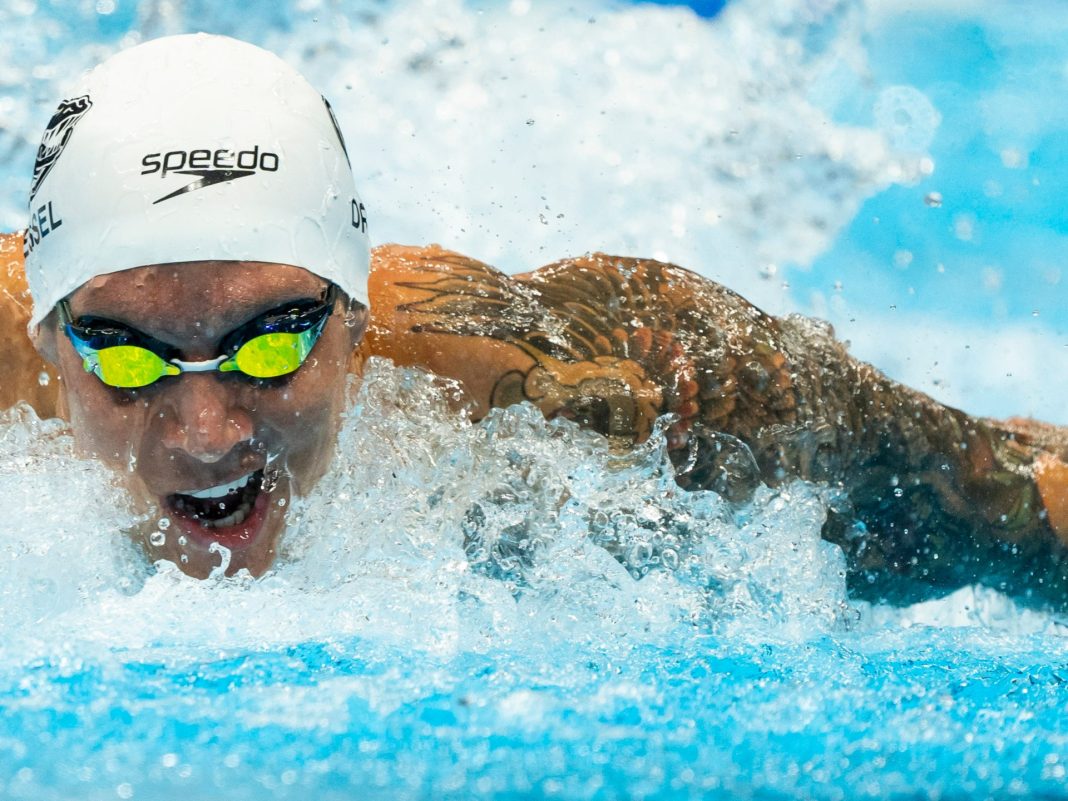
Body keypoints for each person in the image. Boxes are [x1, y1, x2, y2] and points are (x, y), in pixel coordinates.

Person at [2, 34, 1067, 608]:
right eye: (127, 359)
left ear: (359, 326)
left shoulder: (502, 375)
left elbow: (963, 475)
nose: (207, 433)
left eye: (272, 344)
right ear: (52, 339)